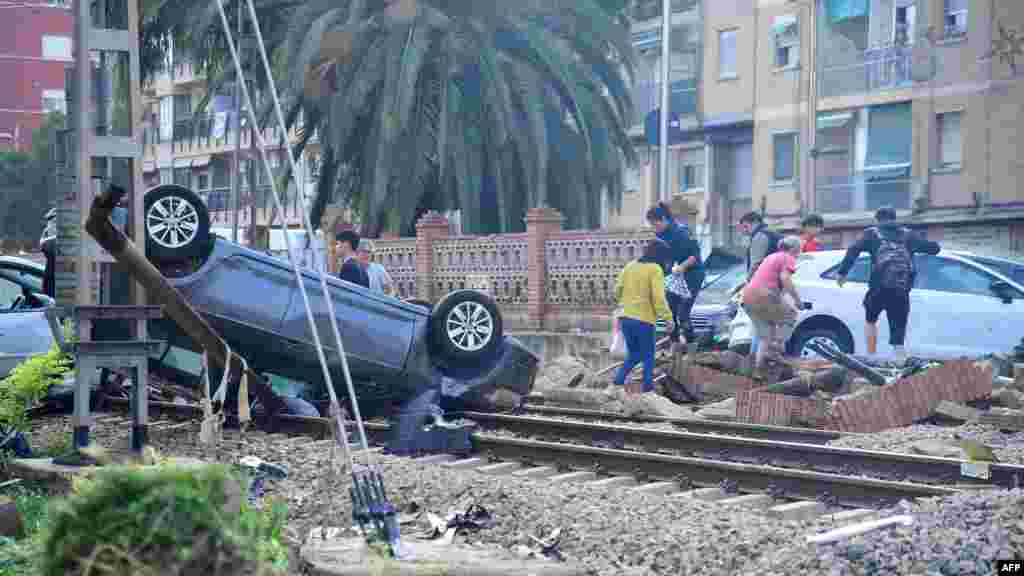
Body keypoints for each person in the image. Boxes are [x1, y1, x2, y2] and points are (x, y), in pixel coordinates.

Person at [835, 206, 940, 361]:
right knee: (898, 326)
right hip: (901, 288)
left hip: (878, 287)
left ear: (877, 219)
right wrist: (924, 244)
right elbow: (934, 249)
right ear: (894, 218)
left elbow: (853, 249)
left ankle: (871, 356)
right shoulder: (908, 234)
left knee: (870, 321)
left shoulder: (871, 233)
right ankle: (899, 359)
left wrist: (842, 273)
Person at [614, 238, 674, 395]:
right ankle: (648, 390)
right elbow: (658, 298)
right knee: (648, 356)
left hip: (625, 317)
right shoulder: (655, 269)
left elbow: (617, 290)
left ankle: (617, 381)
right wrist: (668, 318)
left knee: (634, 354)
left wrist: (627, 302)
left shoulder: (630, 266)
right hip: (644, 320)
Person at [742, 236, 803, 378]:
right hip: (764, 295)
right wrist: (797, 300)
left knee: (765, 335)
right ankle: (775, 350)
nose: (799, 253)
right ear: (794, 249)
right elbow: (785, 278)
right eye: (799, 249)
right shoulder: (788, 258)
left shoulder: (771, 257)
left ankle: (758, 370)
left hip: (748, 297)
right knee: (791, 314)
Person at [646, 202, 704, 344]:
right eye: (652, 225)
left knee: (683, 314)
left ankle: (691, 346)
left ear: (664, 219)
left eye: (655, 224)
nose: (654, 228)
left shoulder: (682, 232)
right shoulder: (660, 236)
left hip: (692, 274)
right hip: (673, 276)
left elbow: (694, 256)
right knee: (669, 313)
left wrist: (681, 268)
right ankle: (675, 345)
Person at [736, 211, 782, 358]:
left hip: (762, 287)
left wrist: (747, 283)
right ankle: (762, 359)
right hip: (775, 285)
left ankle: (755, 360)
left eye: (745, 226)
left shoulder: (760, 236)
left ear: (753, 222)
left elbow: (756, 263)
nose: (744, 231)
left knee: (761, 327)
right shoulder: (774, 235)